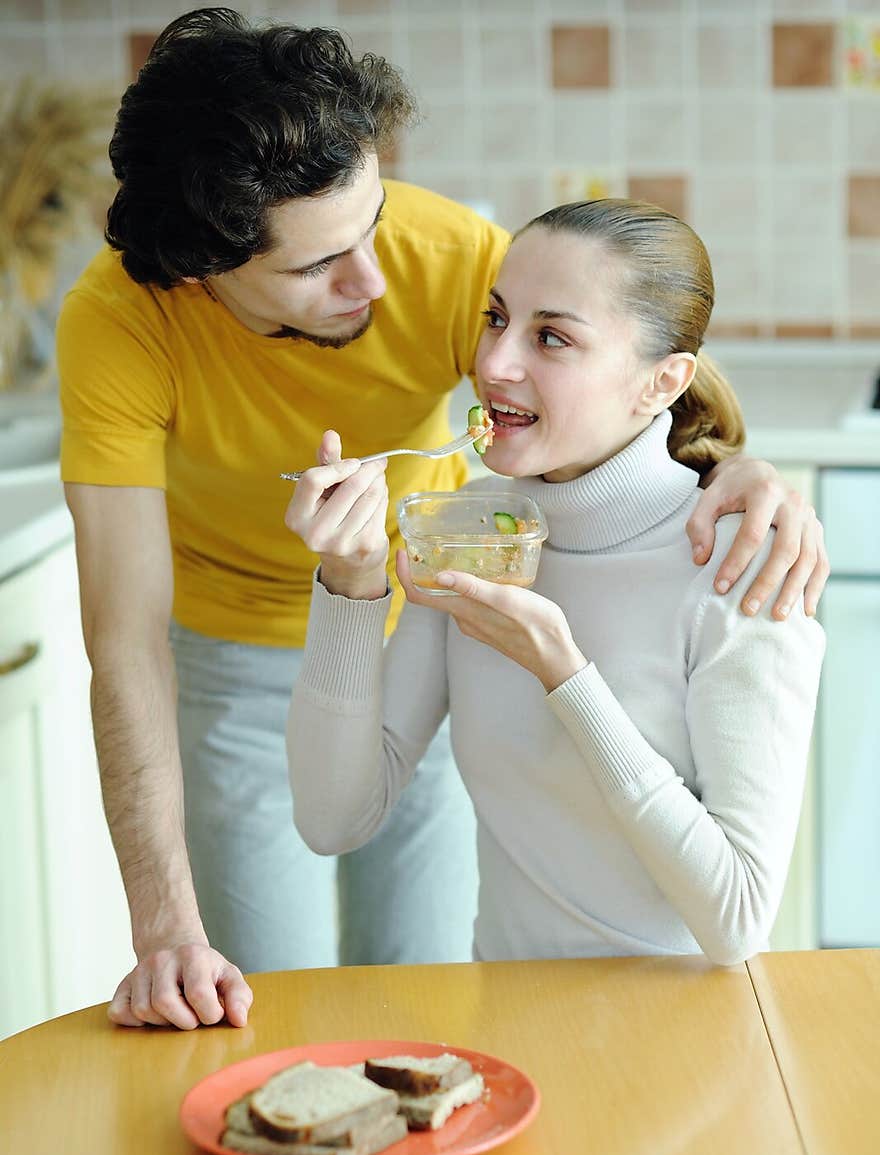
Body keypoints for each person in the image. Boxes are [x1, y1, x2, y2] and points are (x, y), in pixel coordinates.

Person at [57, 9, 827, 1032]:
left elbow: (623, 350)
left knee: (411, 998)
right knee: (265, 1010)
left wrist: (743, 465)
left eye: (370, 227)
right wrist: (164, 932)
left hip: (440, 597)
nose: (374, 281)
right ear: (205, 269)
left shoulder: (442, 260)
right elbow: (127, 643)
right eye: (314, 268)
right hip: (245, 638)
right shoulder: (121, 325)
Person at [286, 198, 825, 966]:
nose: (496, 364)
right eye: (496, 318)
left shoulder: (744, 565)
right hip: (507, 1021)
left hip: (688, 1038)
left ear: (661, 382)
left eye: (552, 337)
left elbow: (736, 922)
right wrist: (349, 584)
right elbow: (333, 818)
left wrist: (564, 674)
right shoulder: (472, 533)